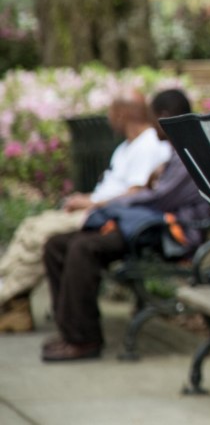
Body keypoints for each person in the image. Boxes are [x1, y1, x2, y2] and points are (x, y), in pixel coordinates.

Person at [41, 88, 210, 362]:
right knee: (57, 245)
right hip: (147, 225)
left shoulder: (189, 153)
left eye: (153, 118)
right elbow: (157, 193)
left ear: (165, 117)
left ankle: (84, 340)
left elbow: (159, 198)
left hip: (169, 234)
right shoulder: (177, 151)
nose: (150, 125)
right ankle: (71, 330)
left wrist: (108, 204)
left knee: (83, 248)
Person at [0, 91, 171, 332]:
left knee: (43, 236)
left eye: (111, 112)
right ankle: (9, 290)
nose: (109, 118)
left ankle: (8, 294)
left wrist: (91, 204)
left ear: (122, 114)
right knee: (32, 227)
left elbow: (135, 195)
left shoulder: (148, 145)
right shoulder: (127, 146)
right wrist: (86, 198)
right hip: (98, 209)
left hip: (109, 216)